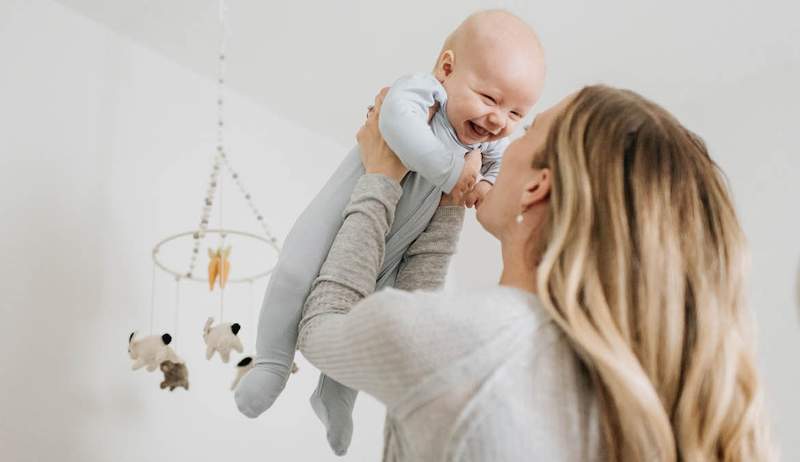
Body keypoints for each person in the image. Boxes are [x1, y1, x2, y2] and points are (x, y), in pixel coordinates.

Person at [297, 85, 775, 461]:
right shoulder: (632, 394)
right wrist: (446, 202)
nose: (501, 135)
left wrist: (379, 177)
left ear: (536, 186)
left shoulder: (467, 346)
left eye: (526, 131)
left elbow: (323, 327)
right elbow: (427, 327)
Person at [234, 10, 545, 455]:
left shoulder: (485, 145)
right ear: (448, 69)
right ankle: (271, 363)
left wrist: (485, 184)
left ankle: (336, 396)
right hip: (339, 218)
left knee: (368, 313)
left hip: (392, 248)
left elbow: (490, 167)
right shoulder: (422, 93)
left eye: (516, 112)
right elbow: (395, 125)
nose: (499, 120)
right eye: (490, 98)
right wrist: (454, 171)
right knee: (293, 273)